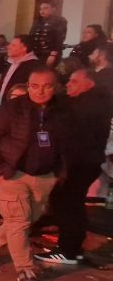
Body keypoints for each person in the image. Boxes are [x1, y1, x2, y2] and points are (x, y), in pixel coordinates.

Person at [0, 67, 63, 281]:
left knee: (23, 222)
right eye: (35, 86)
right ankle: (25, 269)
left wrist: (60, 171)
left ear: (55, 86)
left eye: (47, 86)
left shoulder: (62, 110)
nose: (41, 91)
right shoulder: (13, 109)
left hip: (44, 176)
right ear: (28, 86)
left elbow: (69, 143)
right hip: (12, 174)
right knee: (19, 221)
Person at [36, 69, 113, 265]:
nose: (69, 84)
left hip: (78, 163)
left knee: (67, 203)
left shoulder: (88, 105)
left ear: (89, 83)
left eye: (74, 81)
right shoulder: (91, 103)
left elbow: (69, 133)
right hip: (84, 161)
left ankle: (68, 250)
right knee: (71, 203)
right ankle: (72, 248)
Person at [0, 35, 39, 107]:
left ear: (24, 48)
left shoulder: (33, 67)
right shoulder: (11, 63)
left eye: (13, 45)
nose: (8, 47)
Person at [28, 2, 67, 67]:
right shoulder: (37, 21)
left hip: (49, 54)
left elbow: (59, 39)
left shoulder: (59, 20)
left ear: (53, 9)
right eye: (40, 9)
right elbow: (31, 36)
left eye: (45, 8)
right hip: (36, 53)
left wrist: (53, 55)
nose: (42, 11)